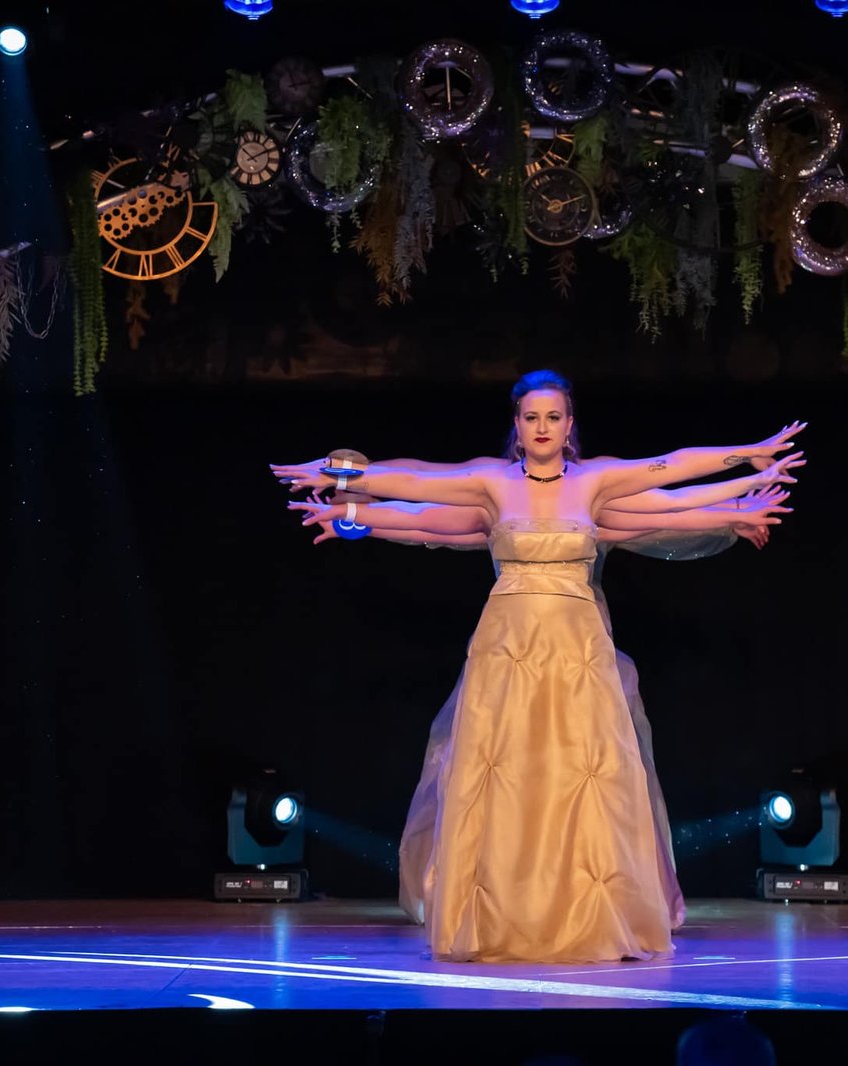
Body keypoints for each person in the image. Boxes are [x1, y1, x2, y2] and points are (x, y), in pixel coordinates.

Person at [273, 370, 802, 961]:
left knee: (583, 777)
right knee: (504, 775)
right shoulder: (493, 486)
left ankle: (584, 911)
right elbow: (419, 492)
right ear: (517, 426)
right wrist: (344, 487)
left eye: (553, 417)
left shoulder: (594, 484)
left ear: (569, 425)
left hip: (577, 651)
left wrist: (748, 461)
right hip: (507, 649)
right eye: (531, 417)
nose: (543, 427)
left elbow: (668, 481)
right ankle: (502, 912)